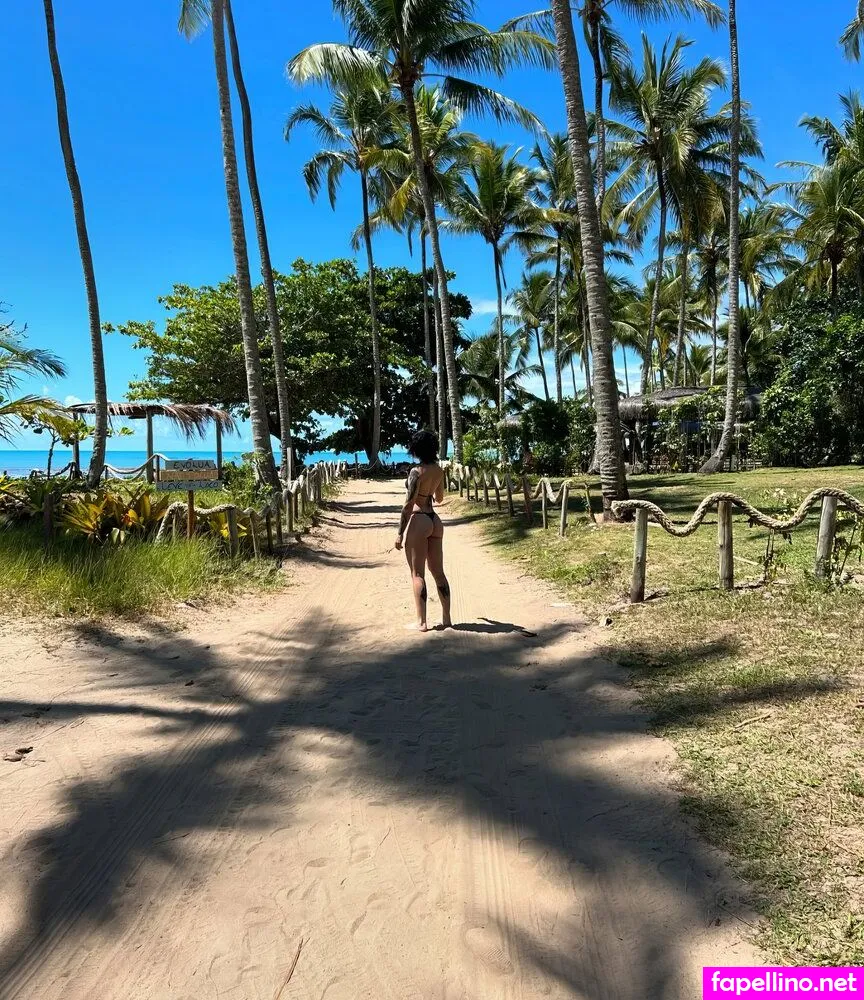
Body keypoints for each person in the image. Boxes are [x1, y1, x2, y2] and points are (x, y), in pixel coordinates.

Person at [395, 430, 452, 632]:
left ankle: (421, 622)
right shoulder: (438, 470)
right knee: (439, 573)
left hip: (419, 520)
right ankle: (446, 618)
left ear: (416, 449)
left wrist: (400, 533)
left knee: (417, 574)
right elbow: (440, 498)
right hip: (435, 520)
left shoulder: (416, 472)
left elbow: (408, 505)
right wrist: (429, 491)